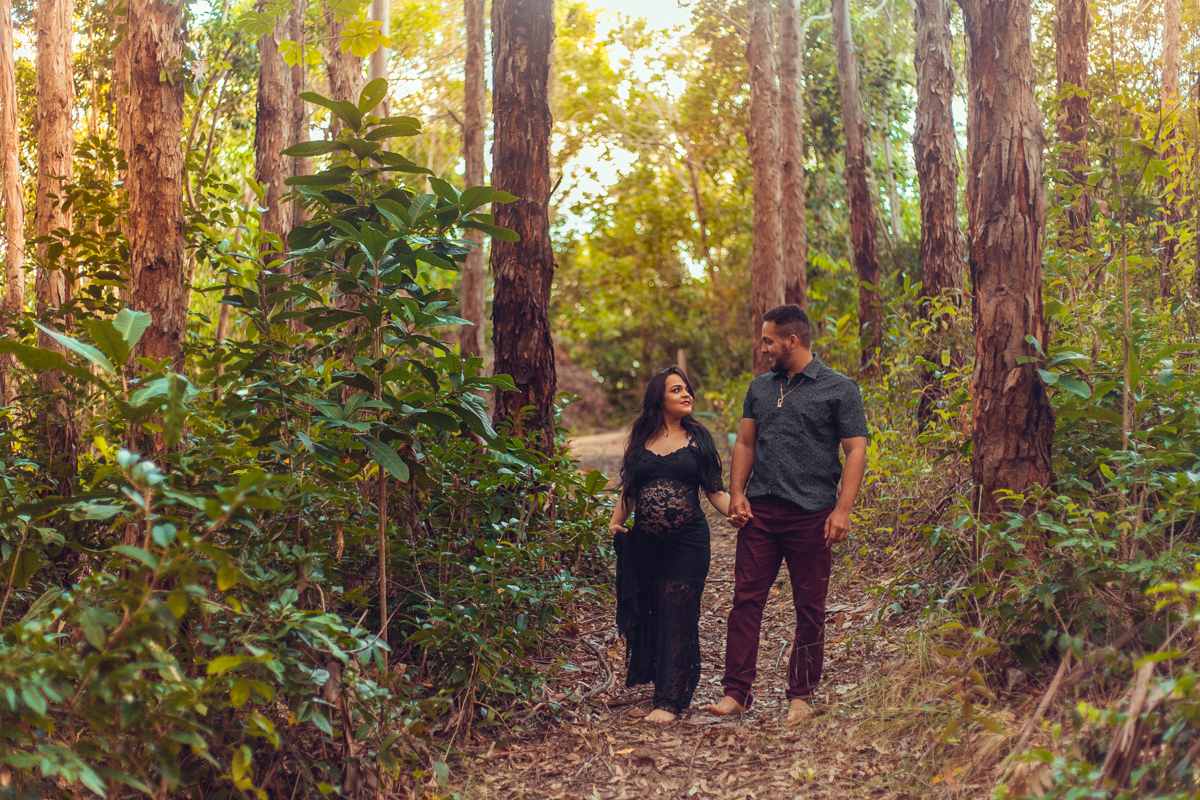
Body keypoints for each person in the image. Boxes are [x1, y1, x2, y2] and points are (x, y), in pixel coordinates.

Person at [705, 304, 869, 725]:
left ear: (792, 341)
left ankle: (801, 695)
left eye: (768, 341)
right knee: (745, 602)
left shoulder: (840, 388)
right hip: (760, 513)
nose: (763, 349)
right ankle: (736, 692)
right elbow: (744, 443)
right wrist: (738, 491)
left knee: (810, 608)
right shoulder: (760, 388)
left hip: (812, 513)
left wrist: (843, 510)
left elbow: (855, 450)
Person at [609, 367, 731, 723]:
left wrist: (736, 514)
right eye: (677, 389)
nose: (686, 394)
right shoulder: (641, 440)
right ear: (658, 398)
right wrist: (616, 522)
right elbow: (630, 490)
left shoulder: (699, 439)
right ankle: (662, 686)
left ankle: (672, 700)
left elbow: (715, 491)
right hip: (646, 546)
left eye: (688, 389)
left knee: (679, 615)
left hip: (688, 544)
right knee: (654, 613)